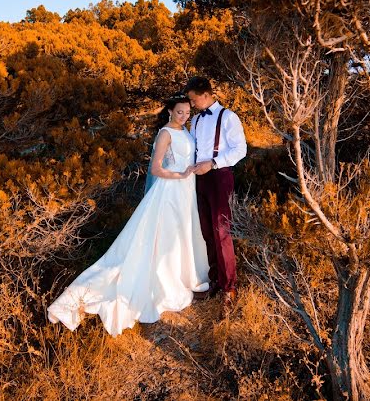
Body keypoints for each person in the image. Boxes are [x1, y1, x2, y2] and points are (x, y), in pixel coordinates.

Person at [47, 94, 210, 336]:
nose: (184, 116)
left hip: (185, 190)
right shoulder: (166, 133)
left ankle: (182, 273)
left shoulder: (185, 131)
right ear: (170, 112)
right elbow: (156, 168)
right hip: (171, 190)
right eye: (179, 112)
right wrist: (179, 175)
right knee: (164, 236)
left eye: (187, 112)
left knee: (181, 234)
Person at [184, 77, 247, 316]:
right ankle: (215, 281)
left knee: (222, 233)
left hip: (220, 177)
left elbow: (240, 149)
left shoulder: (228, 117)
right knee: (206, 232)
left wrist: (213, 163)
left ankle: (230, 289)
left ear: (206, 94)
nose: (191, 104)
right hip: (198, 179)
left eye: (193, 99)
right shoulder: (197, 119)